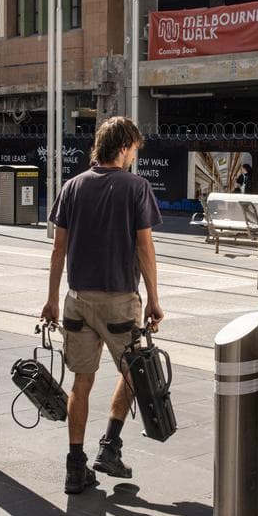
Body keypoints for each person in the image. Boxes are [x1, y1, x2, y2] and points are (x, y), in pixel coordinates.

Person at [40, 116, 164, 494]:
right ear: (124, 147)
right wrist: (155, 301)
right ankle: (109, 446)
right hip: (119, 303)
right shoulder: (136, 188)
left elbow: (58, 248)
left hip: (77, 301)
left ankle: (75, 467)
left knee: (82, 381)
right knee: (134, 374)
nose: (132, 159)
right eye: (133, 151)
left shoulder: (72, 186)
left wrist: (50, 300)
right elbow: (144, 248)